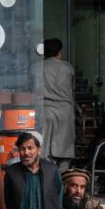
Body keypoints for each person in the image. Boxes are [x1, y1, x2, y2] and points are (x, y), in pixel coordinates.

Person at [31, 38, 75, 171]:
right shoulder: (68, 68)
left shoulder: (35, 68)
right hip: (65, 113)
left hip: (44, 111)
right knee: (64, 151)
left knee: (43, 150)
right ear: (59, 52)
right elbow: (72, 89)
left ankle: (47, 182)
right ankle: (62, 183)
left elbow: (30, 90)